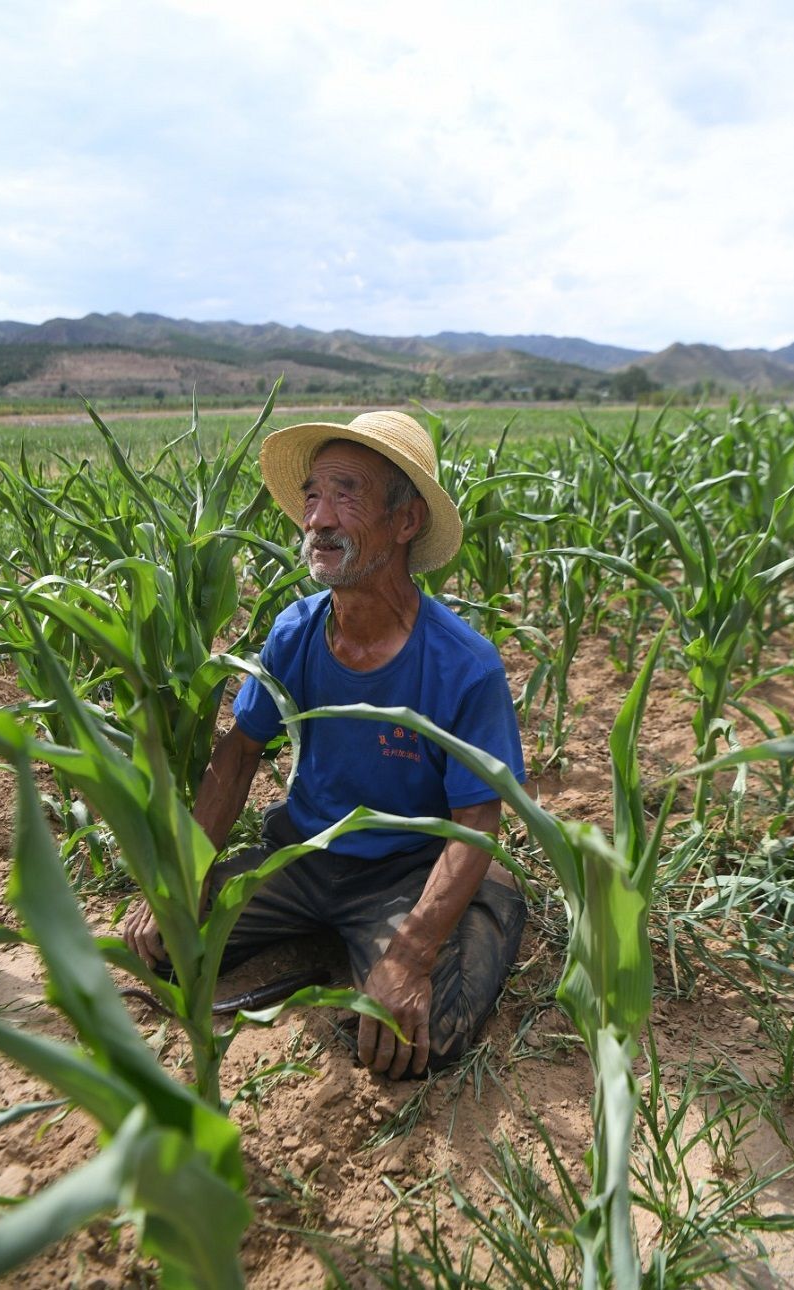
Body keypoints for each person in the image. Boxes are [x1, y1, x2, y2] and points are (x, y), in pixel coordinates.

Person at [125, 410, 527, 1079]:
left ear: (406, 521)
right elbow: (239, 754)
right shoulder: (295, 632)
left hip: (404, 873)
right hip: (305, 856)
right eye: (312, 496)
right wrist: (185, 874)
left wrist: (412, 955)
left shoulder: (465, 665)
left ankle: (490, 900)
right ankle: (330, 935)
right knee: (163, 946)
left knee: (418, 1037)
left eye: (347, 494)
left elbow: (476, 820)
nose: (317, 518)